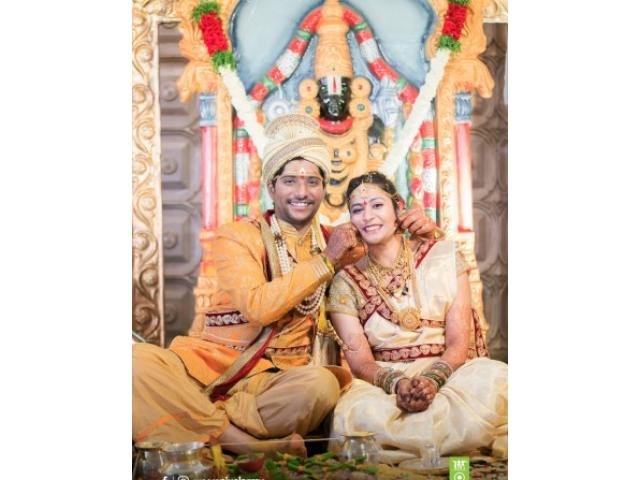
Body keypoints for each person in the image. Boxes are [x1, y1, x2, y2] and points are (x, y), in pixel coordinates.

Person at [133, 114, 438, 457]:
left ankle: (190, 419)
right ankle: (243, 443)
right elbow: (258, 308)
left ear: (324, 189)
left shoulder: (340, 244)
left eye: (312, 182)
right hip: (208, 368)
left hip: (278, 384)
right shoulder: (238, 236)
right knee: (134, 362)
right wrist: (326, 261)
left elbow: (394, 267)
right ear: (272, 188)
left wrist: (425, 234)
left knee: (321, 386)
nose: (302, 192)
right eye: (290, 181)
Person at [326, 171, 508, 465]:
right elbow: (360, 363)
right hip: (385, 384)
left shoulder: (444, 256)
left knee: (497, 379)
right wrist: (398, 384)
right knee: (358, 415)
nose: (368, 216)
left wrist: (432, 381)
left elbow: (458, 343)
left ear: (398, 207)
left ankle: (457, 472)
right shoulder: (345, 281)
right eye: (357, 210)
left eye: (377, 205)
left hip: (449, 373)